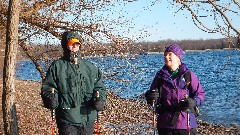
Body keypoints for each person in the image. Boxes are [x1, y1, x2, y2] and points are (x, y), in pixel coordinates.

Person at [41, 31, 107, 135]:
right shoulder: (57, 66)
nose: (74, 46)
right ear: (65, 45)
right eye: (71, 44)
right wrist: (50, 99)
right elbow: (48, 87)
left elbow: (100, 88)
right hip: (66, 118)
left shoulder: (90, 67)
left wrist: (100, 100)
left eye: (77, 44)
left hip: (88, 118)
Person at [145, 44, 205, 135]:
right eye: (165, 55)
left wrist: (193, 102)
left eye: (170, 54)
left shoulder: (188, 75)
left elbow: (200, 94)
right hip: (165, 123)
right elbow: (154, 99)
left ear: (178, 57)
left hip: (187, 122)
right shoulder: (160, 76)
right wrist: (150, 97)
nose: (166, 57)